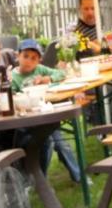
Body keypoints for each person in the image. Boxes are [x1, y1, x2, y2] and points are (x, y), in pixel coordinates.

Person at [9, 39, 80, 182]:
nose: (29, 61)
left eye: (34, 58)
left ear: (39, 61)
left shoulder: (40, 70)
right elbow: (12, 99)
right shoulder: (14, 77)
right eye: (26, 56)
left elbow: (61, 74)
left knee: (61, 144)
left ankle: (78, 176)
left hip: (48, 115)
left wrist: (47, 79)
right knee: (46, 143)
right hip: (30, 121)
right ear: (18, 56)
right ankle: (41, 179)